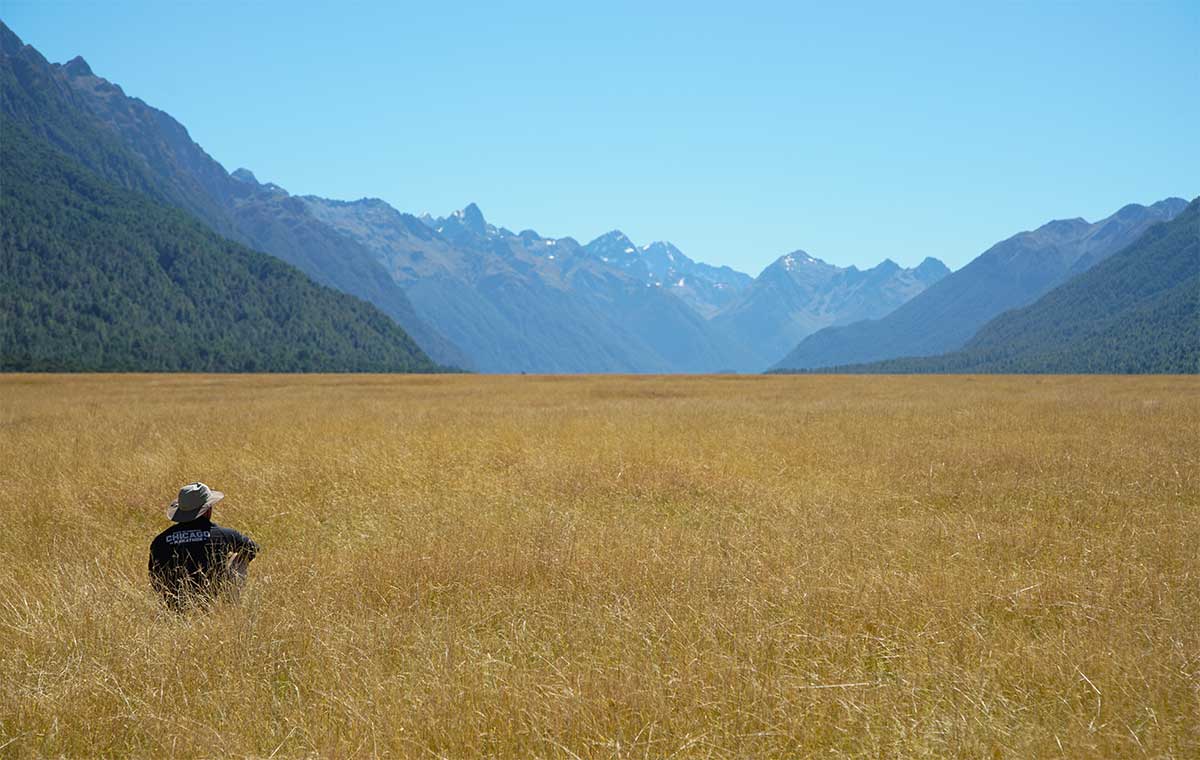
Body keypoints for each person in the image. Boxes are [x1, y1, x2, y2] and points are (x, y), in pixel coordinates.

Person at [149, 482, 259, 610]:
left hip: (174, 603)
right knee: (240, 560)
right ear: (207, 510)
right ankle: (231, 605)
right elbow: (252, 548)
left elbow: (154, 576)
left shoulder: (160, 541)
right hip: (214, 599)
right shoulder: (225, 535)